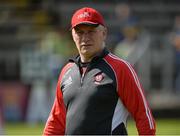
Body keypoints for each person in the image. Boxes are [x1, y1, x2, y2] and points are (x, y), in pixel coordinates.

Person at [43, 7, 156, 135]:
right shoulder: (66, 71)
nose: (85, 38)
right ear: (73, 35)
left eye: (91, 31)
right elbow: (56, 123)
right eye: (80, 32)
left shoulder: (120, 69)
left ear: (104, 33)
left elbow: (144, 116)